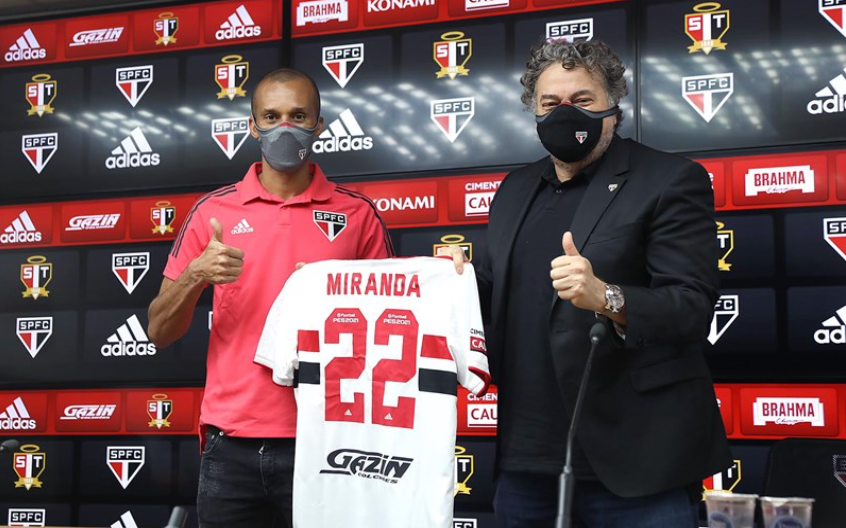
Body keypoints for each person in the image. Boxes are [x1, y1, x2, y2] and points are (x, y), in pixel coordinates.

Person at [447, 39, 732, 527]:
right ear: (534, 113)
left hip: (638, 464)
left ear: (613, 108)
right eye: (550, 103)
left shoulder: (669, 179)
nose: (565, 114)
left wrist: (607, 297)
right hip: (526, 463)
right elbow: (496, 298)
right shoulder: (514, 189)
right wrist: (451, 282)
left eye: (582, 101)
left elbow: (691, 307)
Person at [147, 68, 394, 528]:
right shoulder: (213, 211)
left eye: (298, 116)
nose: (285, 128)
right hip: (231, 443)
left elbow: (394, 324)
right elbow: (159, 331)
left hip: (328, 441)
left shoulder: (358, 214)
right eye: (271, 116)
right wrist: (196, 274)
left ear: (319, 125)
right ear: (252, 126)